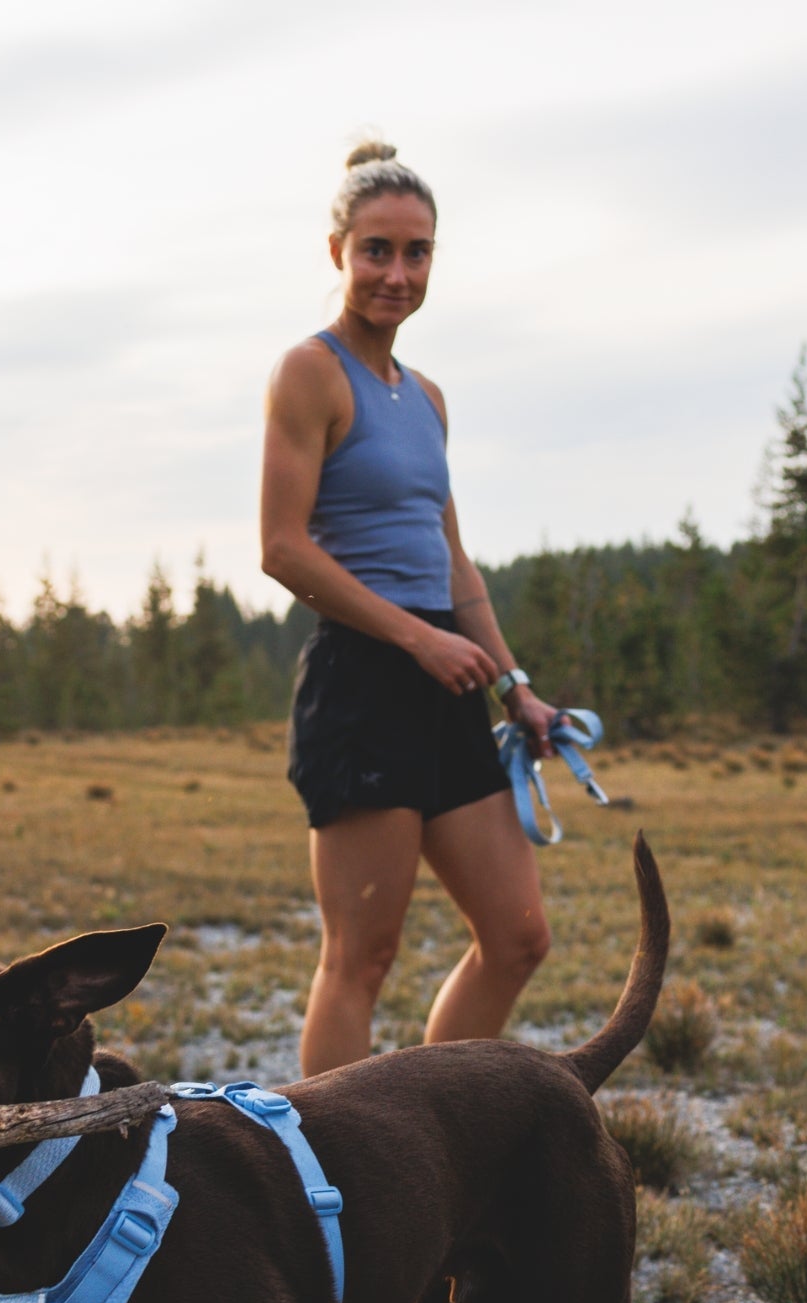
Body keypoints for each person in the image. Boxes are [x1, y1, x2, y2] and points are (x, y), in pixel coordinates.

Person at [262, 140, 562, 1077]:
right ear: (338, 253)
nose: (398, 273)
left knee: (519, 937)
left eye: (417, 252)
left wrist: (514, 685)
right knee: (362, 959)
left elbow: (452, 559)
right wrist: (416, 640)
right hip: (363, 685)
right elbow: (282, 549)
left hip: (448, 685)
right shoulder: (310, 373)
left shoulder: (426, 398)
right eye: (378, 251)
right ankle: (328, 1173)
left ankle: (447, 1128)